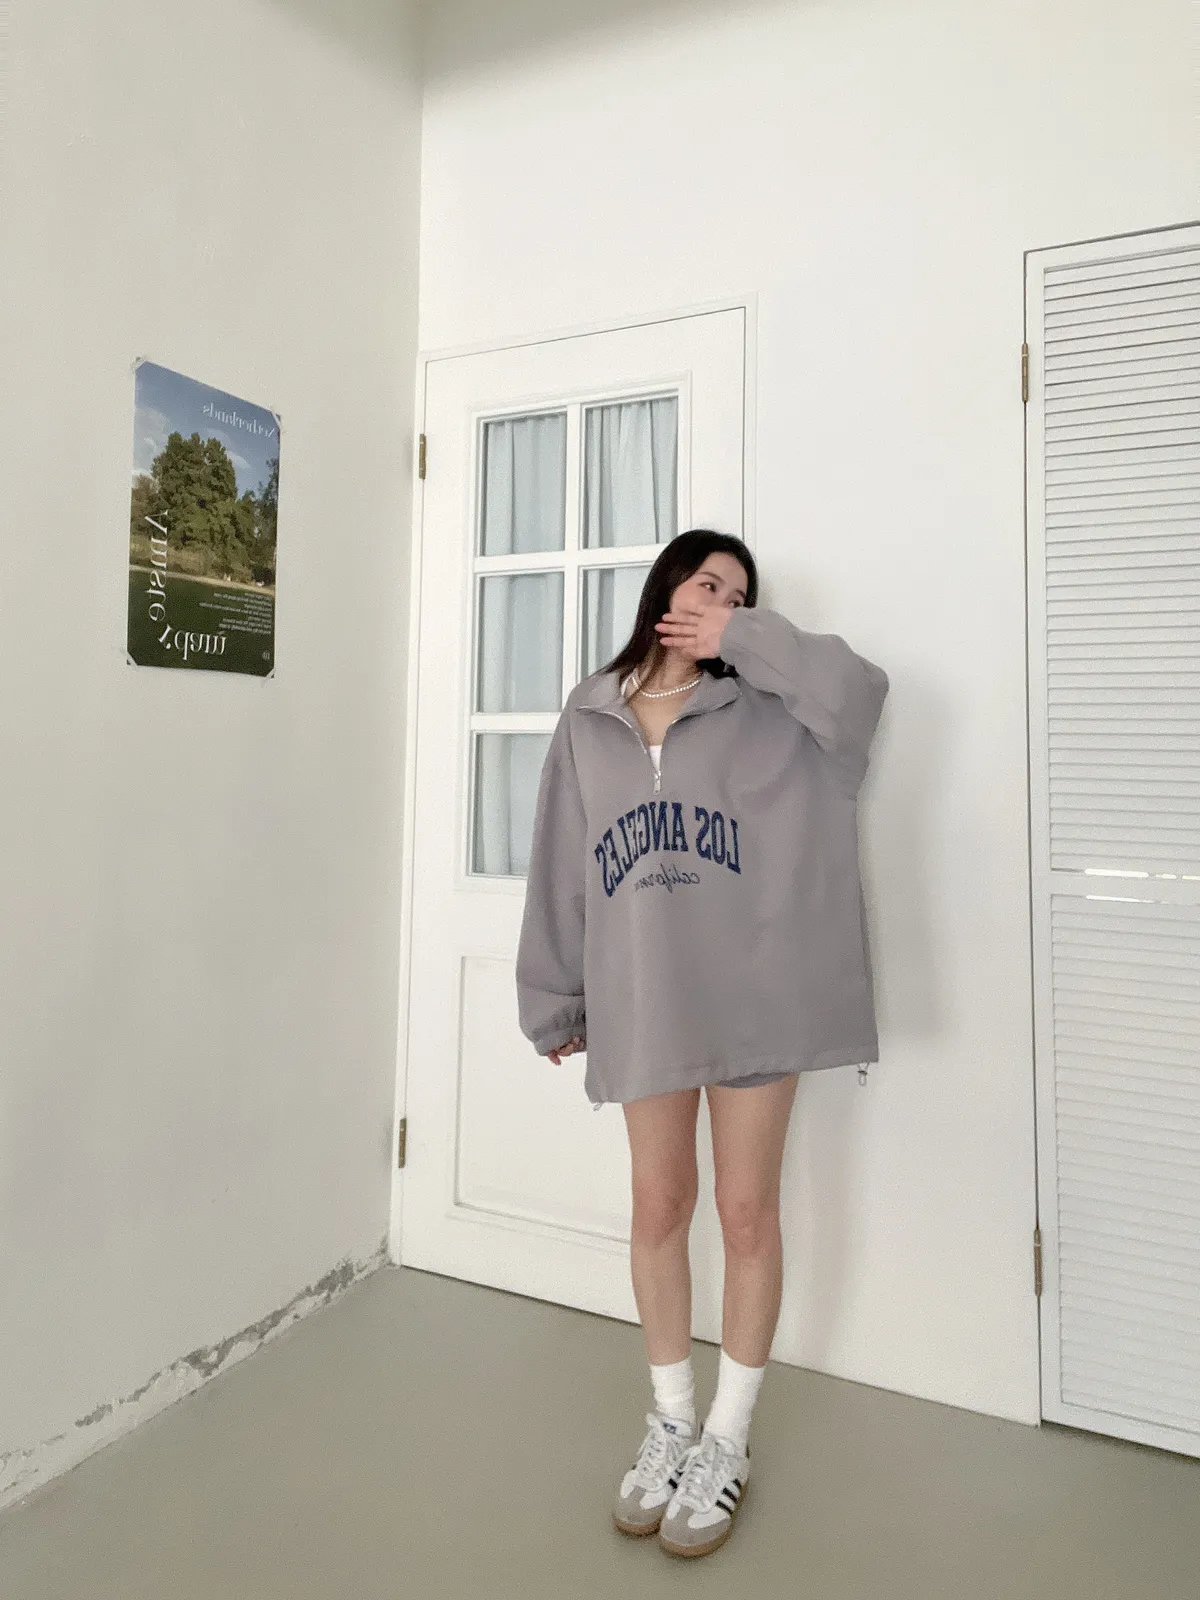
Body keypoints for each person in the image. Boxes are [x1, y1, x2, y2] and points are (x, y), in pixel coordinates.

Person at [515, 529, 888, 1559]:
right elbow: (560, 863)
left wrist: (748, 640)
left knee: (746, 1210)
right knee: (659, 1206)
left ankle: (728, 1437)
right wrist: (557, 997)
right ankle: (672, 1419)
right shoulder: (591, 715)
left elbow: (863, 694)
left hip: (758, 998)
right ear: (666, 588)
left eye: (740, 594)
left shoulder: (776, 711)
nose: (722, 600)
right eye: (708, 583)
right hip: (645, 998)